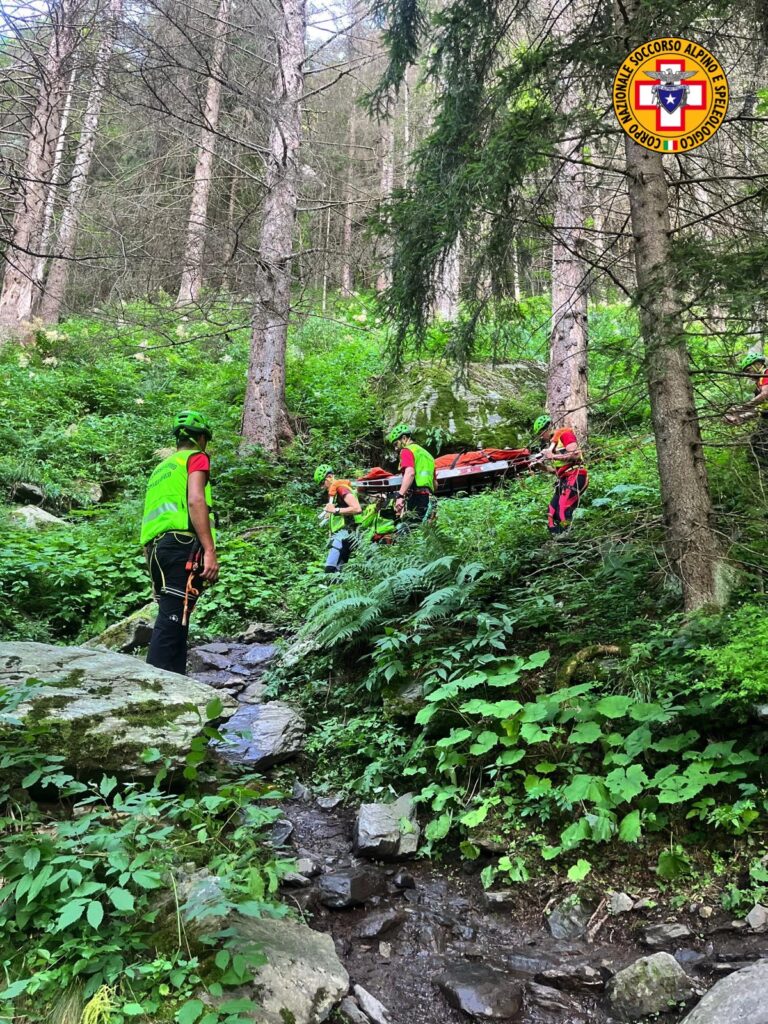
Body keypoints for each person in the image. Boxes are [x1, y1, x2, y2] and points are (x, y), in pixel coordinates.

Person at [140, 410, 219, 674]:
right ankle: (155, 687)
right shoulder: (196, 458)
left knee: (176, 613)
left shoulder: (161, 469)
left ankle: (176, 680)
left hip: (155, 550)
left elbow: (150, 520)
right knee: (173, 618)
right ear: (200, 438)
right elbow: (196, 500)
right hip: (181, 544)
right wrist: (209, 549)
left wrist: (151, 569)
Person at [533, 414, 588, 536]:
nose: (542, 438)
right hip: (564, 479)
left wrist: (553, 456)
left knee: (563, 509)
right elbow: (556, 472)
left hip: (576, 474)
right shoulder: (552, 446)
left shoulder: (565, 433)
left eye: (541, 434)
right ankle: (557, 538)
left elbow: (576, 455)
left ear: (547, 429)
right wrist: (541, 467)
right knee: (551, 513)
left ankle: (569, 537)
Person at [723, 353, 768, 474]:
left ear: (758, 364)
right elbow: (760, 410)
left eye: (748, 370)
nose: (747, 374)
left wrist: (741, 409)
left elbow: (765, 395)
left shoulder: (766, 374)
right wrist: (741, 418)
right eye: (745, 372)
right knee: (756, 447)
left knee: (759, 447)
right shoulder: (759, 384)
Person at [314, 464, 363, 572]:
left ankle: (328, 586)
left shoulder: (341, 488)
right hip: (343, 534)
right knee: (338, 570)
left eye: (323, 483)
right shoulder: (335, 493)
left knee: (330, 568)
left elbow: (357, 508)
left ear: (329, 477)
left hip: (347, 533)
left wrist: (335, 510)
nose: (323, 487)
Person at [387, 424, 437, 526]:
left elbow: (410, 473)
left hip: (416, 498)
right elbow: (435, 483)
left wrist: (400, 496)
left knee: (410, 533)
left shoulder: (407, 451)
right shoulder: (428, 456)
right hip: (430, 498)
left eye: (396, 444)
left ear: (404, 438)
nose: (396, 448)